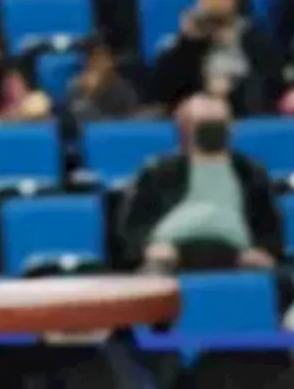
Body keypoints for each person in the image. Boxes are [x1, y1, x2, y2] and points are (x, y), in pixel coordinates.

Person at [120, 94, 282, 273]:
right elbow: (134, 228)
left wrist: (262, 251)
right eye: (205, 126)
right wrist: (149, 248)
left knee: (274, 279)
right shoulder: (158, 172)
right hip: (171, 254)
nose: (213, 133)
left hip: (238, 255)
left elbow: (269, 228)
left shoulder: (250, 172)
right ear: (184, 129)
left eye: (219, 125)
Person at [150, 0, 279, 118]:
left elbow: (272, 82)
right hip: (195, 111)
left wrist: (232, 88)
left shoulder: (253, 36)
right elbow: (162, 91)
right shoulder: (185, 42)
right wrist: (189, 42)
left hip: (243, 110)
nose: (212, 1)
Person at [64, 38, 141, 123]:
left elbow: (126, 121)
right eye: (92, 58)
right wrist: (88, 95)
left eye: (101, 58)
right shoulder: (76, 86)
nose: (97, 63)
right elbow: (76, 119)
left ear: (110, 61)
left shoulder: (121, 88)